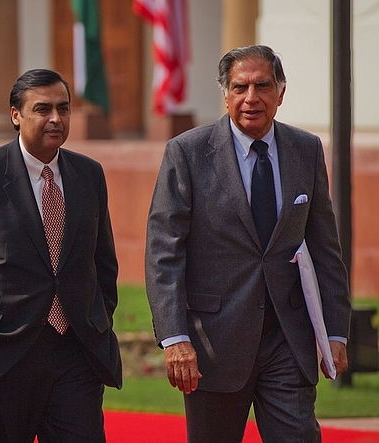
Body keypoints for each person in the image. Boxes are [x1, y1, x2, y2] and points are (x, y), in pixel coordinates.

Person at [145, 45, 351, 442]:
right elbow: (164, 253)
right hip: (212, 344)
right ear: (225, 94)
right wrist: (175, 339)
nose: (251, 97)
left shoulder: (305, 149)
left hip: (287, 339)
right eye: (240, 87)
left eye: (262, 85)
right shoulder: (187, 153)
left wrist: (335, 332)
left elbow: (325, 247)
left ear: (281, 92)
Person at [0, 68, 122, 442]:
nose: (55, 119)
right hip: (4, 355)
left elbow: (103, 262)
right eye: (42, 109)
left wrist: (97, 319)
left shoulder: (88, 173)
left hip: (76, 352)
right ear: (15, 115)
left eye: (63, 109)